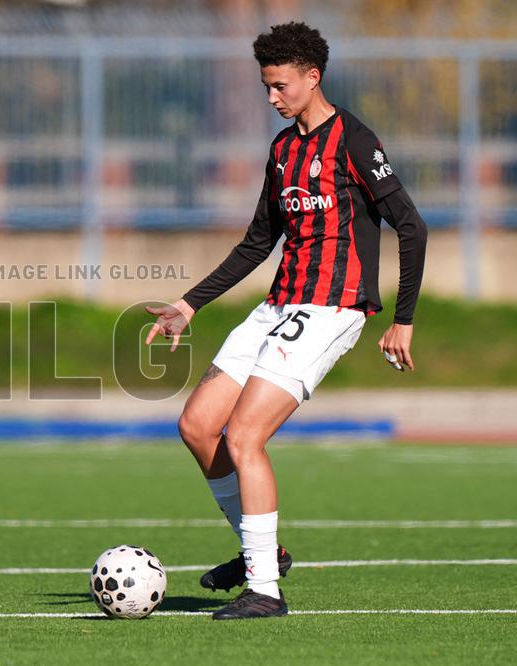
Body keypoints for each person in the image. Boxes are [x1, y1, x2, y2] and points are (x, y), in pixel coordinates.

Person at [145, 22, 427, 620]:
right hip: (276, 306)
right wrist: (190, 304)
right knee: (197, 426)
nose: (271, 97)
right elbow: (257, 242)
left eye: (279, 85)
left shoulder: (352, 138)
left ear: (311, 76)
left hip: (331, 309)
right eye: (266, 86)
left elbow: (411, 224)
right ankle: (262, 554)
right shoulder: (282, 151)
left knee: (245, 437)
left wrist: (402, 319)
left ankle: (265, 591)